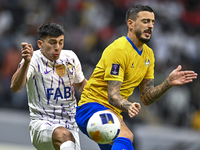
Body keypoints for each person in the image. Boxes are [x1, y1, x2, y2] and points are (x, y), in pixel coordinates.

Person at [75, 4, 198, 150]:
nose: (150, 26)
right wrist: (129, 105)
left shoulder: (148, 55)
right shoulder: (118, 50)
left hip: (111, 113)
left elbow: (146, 97)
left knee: (126, 145)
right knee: (126, 135)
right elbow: (112, 96)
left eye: (152, 22)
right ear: (130, 24)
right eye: (145, 21)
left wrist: (168, 83)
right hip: (91, 108)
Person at [10, 22, 87, 150]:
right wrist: (26, 63)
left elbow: (82, 85)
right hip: (42, 124)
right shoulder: (32, 59)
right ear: (40, 44)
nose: (57, 47)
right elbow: (15, 87)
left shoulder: (71, 57)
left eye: (61, 42)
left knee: (67, 137)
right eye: (52, 42)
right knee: (64, 136)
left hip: (71, 126)